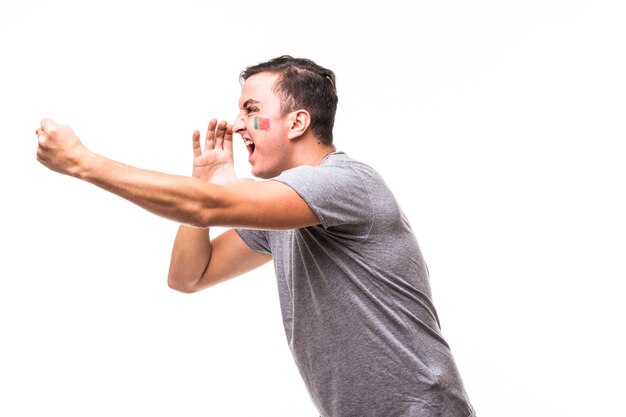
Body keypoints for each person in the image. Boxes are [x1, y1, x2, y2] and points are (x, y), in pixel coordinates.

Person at [35, 56, 475, 417]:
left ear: (298, 122)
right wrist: (205, 187)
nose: (239, 124)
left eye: (251, 110)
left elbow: (213, 204)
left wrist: (82, 163)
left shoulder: (345, 184)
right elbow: (190, 275)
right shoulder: (282, 217)